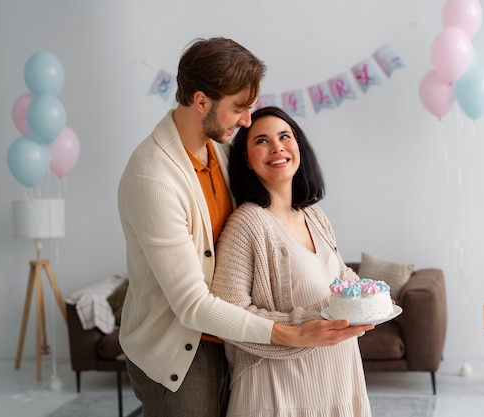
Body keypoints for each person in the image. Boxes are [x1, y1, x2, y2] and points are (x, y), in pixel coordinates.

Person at [117, 38, 373, 417]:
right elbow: (192, 305)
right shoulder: (153, 177)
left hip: (233, 338)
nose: (247, 121)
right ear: (201, 101)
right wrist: (293, 333)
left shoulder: (219, 151)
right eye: (239, 108)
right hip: (181, 351)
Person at [210, 106, 372, 416]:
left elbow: (338, 275)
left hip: (338, 378)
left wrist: (370, 297)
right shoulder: (247, 224)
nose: (277, 147)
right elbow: (226, 314)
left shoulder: (314, 215)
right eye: (261, 141)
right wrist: (302, 327)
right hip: (280, 390)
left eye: (285, 136)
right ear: (246, 158)